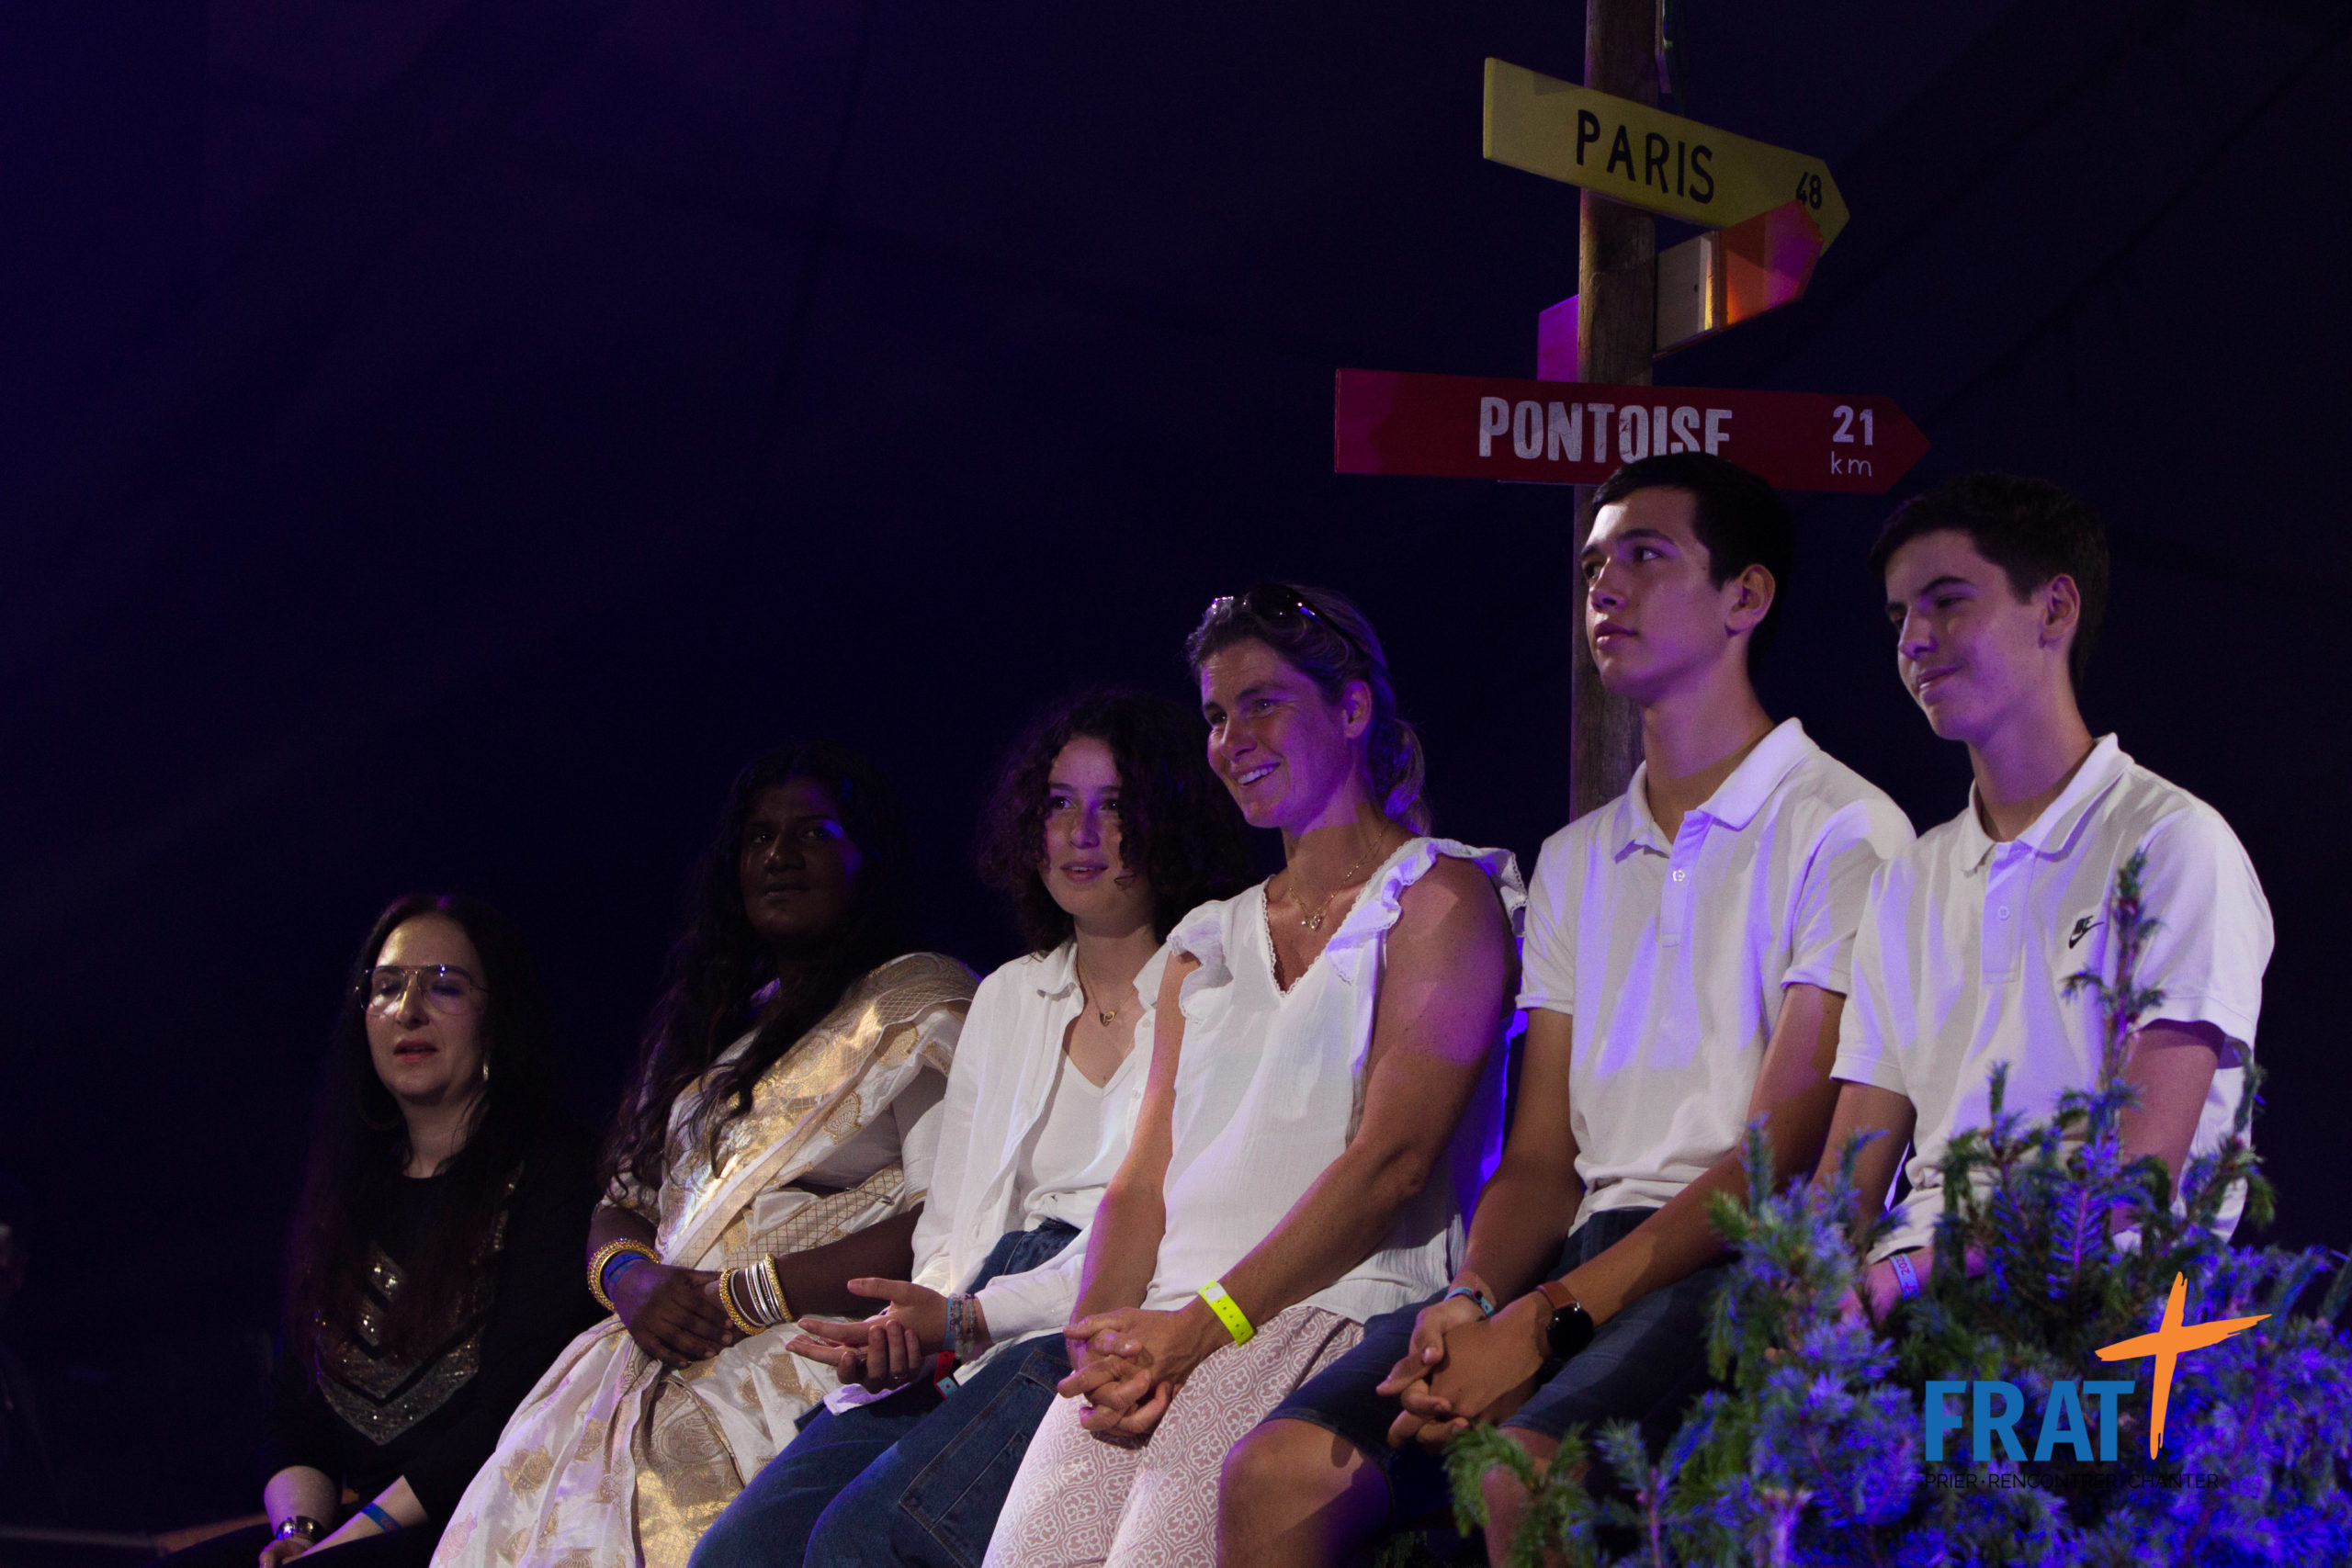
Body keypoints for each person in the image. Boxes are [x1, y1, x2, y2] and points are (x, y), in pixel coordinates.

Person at [1216, 455, 1914, 1566]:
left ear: (1745, 596)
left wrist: (1545, 1324)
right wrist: (1475, 1297)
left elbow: (1778, 1152)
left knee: (1524, 1478)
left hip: (1725, 1266)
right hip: (1575, 1257)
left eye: (1644, 556)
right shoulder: (1579, 856)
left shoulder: (1843, 828)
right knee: (1273, 1472)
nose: (1604, 588)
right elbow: (1540, 1158)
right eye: (1593, 566)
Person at [984, 584, 1522, 1568]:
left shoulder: (1437, 898)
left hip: (1326, 1305)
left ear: (1351, 708)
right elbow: (1141, 1181)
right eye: (1216, 715)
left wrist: (1205, 1325)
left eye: (1262, 703)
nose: (1232, 738)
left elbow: (1393, 1162)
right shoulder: (1205, 941)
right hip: (1167, 1323)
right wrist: (1101, 1343)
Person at [686, 691, 1253, 1568]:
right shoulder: (1009, 995)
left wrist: (969, 1315)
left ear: (1168, 821)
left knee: (862, 1543)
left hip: (1101, 1312)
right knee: (736, 1552)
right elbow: (952, 1222)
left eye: (1114, 805)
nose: (1081, 834)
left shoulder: (1216, 985)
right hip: (975, 1321)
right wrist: (914, 1329)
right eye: (1059, 803)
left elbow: (1176, 1227)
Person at [431, 743, 977, 1568]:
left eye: (814, 832)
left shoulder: (919, 1002)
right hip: (647, 1347)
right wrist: (631, 1280)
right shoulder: (714, 1023)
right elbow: (623, 1201)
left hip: (813, 1352)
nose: (780, 856)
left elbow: (952, 1215)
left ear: (868, 855)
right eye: (759, 838)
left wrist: (745, 1294)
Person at [1818, 475, 2271, 1317]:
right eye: (1899, 616)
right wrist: (1798, 1291)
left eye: (1947, 601)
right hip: (1909, 1294)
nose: (1915, 639)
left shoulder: (2172, 842)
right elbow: (1850, 1174)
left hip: (2101, 1300)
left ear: (2055, 609)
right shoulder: (1907, 879)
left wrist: (1909, 1275)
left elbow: (2133, 1183)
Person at [156, 895, 600, 1568]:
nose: (408, 1010)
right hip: (352, 1535)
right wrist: (298, 1533)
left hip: (492, 1523)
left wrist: (345, 1545)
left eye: (444, 985)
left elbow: (515, 1411)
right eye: (388, 987)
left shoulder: (556, 1168)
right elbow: (294, 1418)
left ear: (497, 1015)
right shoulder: (349, 1189)